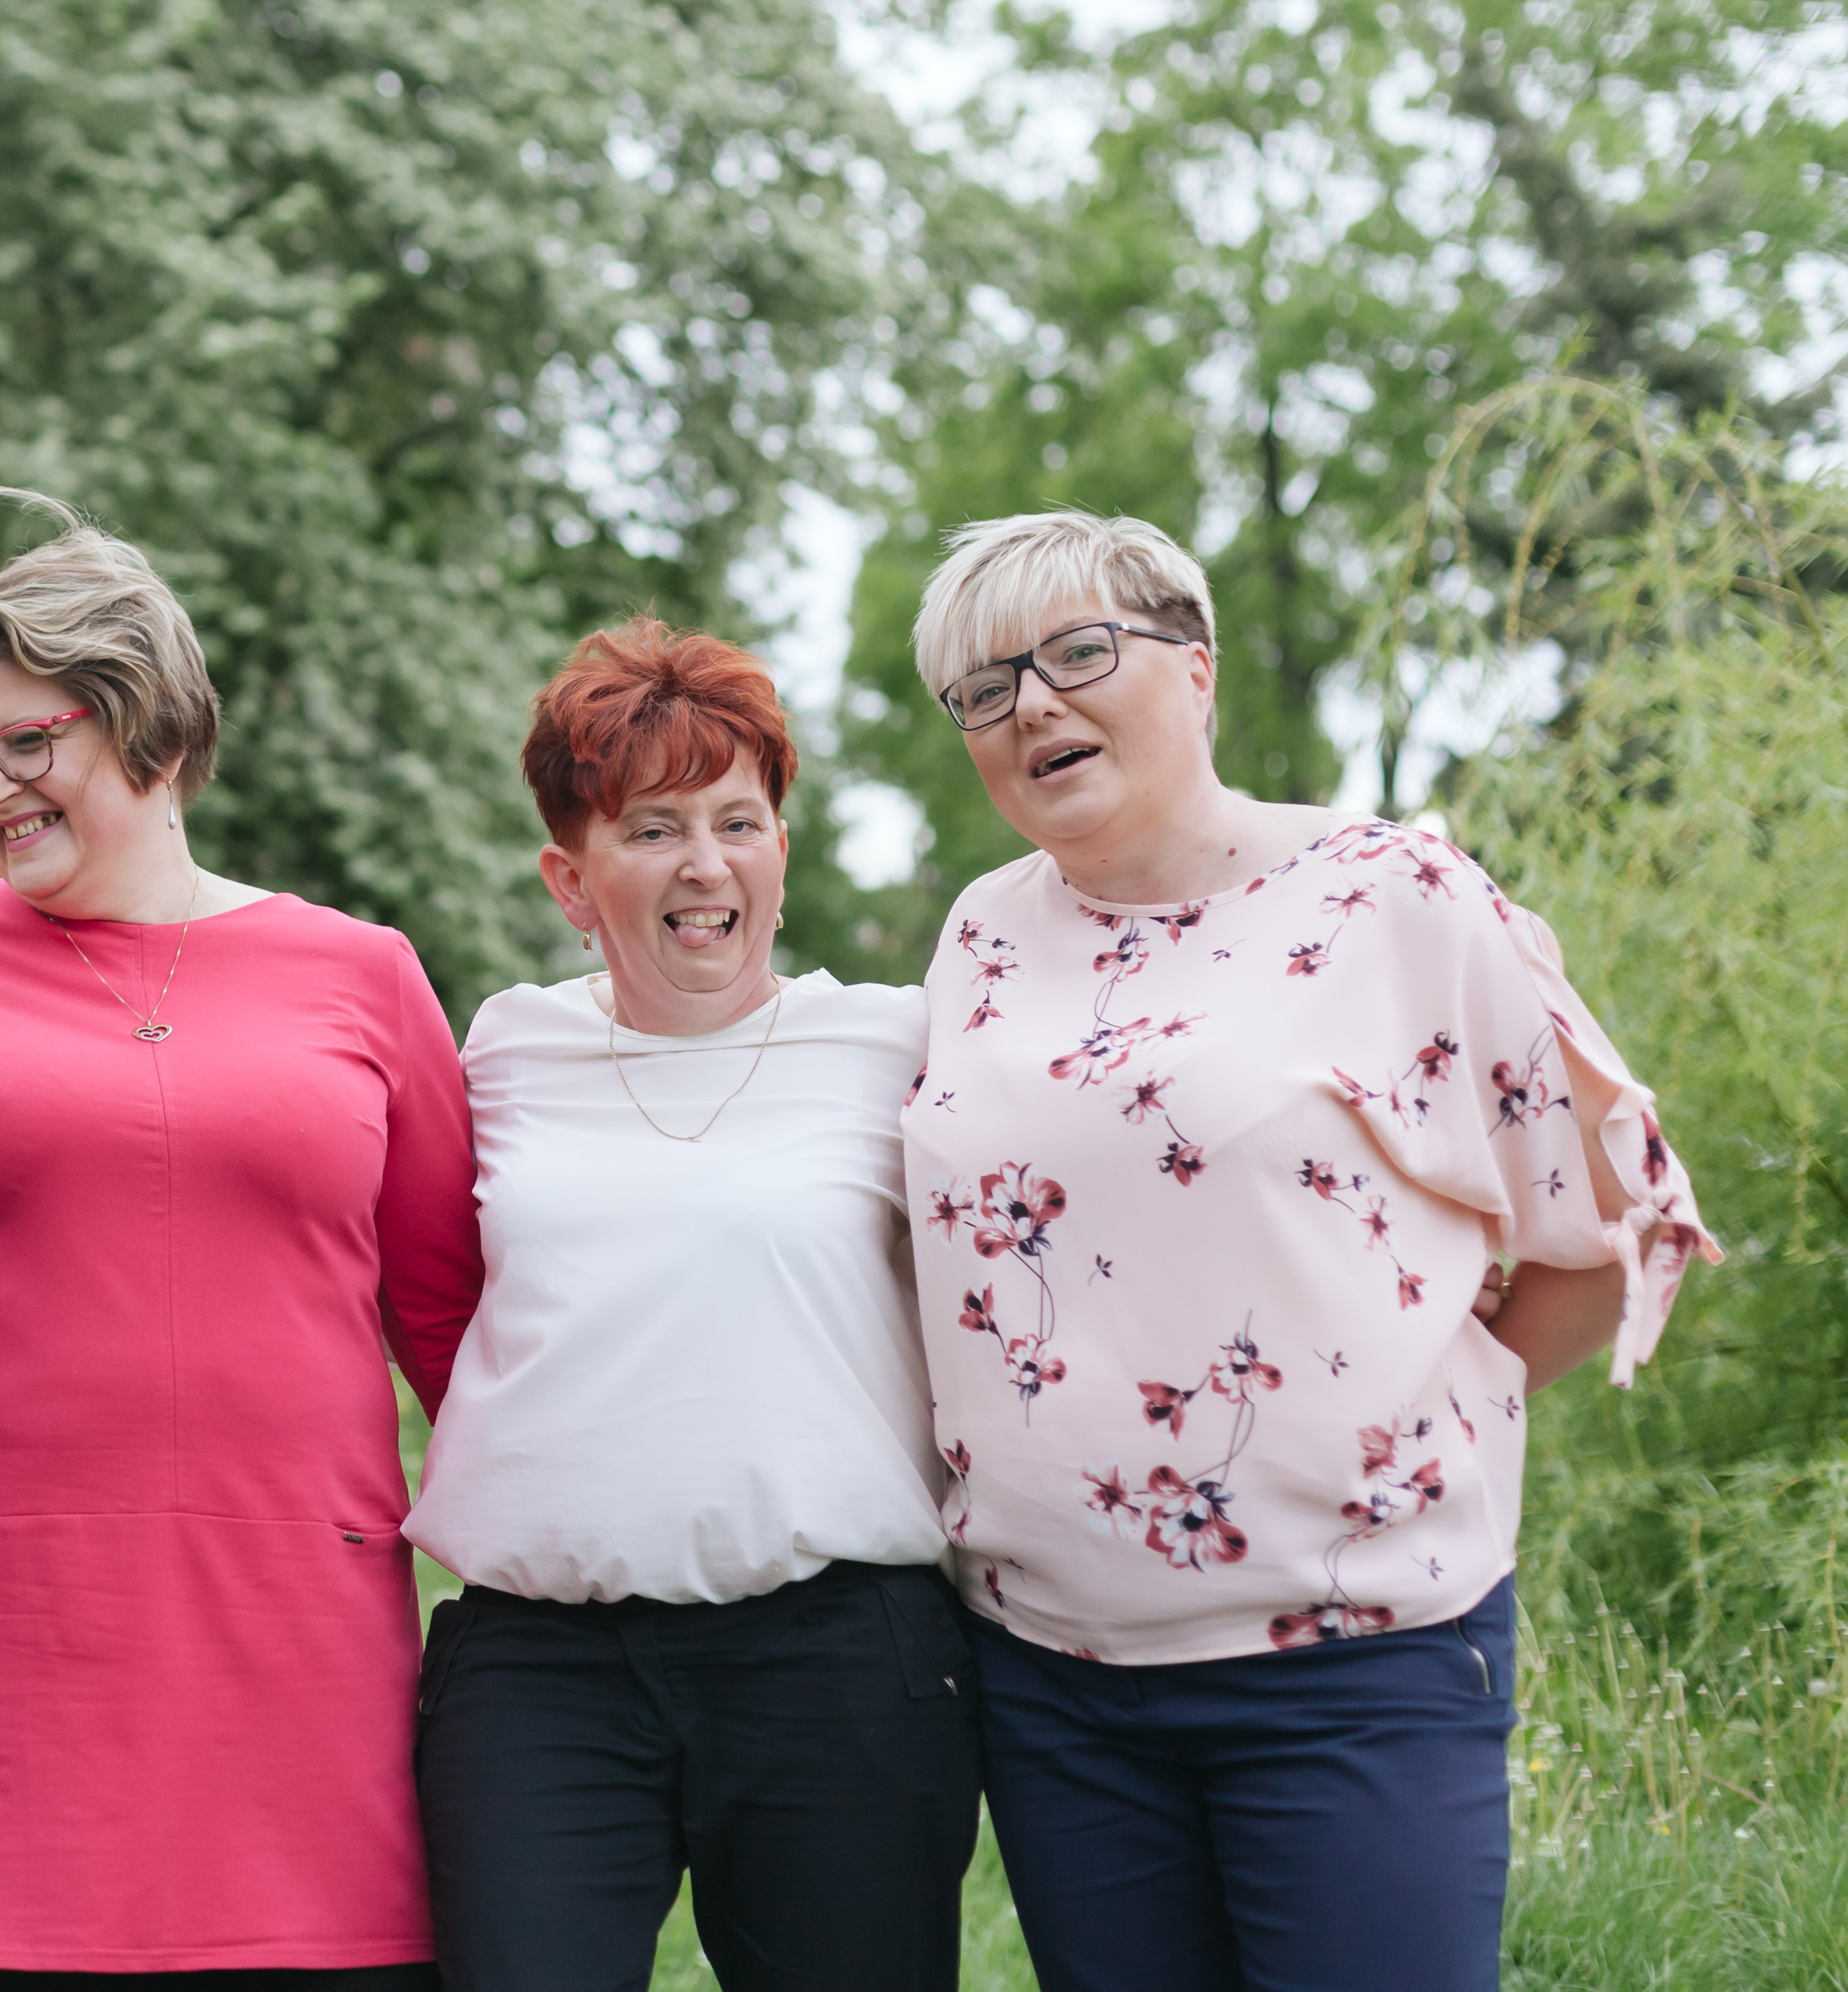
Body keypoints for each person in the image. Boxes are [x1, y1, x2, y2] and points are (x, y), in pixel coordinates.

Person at [902, 510, 1717, 1992]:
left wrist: (1406, 1417)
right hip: (1055, 1682)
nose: (1030, 706)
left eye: (1078, 653)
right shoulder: (982, 934)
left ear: (1198, 667)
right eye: (986, 686)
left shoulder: (1391, 898)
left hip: (1354, 1665)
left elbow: (1602, 1229)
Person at [0, 512, 483, 1988]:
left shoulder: (364, 975)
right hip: (10, 1636)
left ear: (150, 724)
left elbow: (455, 1325)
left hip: (297, 1624)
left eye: (25, 744)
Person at [407, 620, 979, 1992]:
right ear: (571, 876)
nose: (705, 864)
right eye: (653, 829)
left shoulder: (897, 1042)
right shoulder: (503, 1050)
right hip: (542, 1666)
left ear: (782, 845)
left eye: (738, 821)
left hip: (836, 1655)